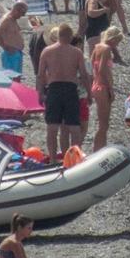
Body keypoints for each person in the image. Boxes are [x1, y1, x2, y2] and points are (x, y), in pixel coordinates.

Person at [37, 23, 88, 163]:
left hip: (54, 89)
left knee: (52, 127)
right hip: (70, 89)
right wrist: (89, 93)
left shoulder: (47, 51)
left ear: (58, 36)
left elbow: (41, 75)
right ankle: (74, 159)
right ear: (70, 36)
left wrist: (40, 93)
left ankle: (53, 160)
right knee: (74, 127)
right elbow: (84, 74)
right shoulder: (76, 52)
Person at [90, 26, 122, 150]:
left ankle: (99, 147)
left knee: (102, 123)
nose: (117, 44)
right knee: (104, 124)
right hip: (102, 87)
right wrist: (110, 88)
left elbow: (92, 65)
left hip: (96, 85)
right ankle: (98, 150)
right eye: (117, 41)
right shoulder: (107, 49)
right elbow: (103, 69)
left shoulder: (97, 47)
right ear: (112, 38)